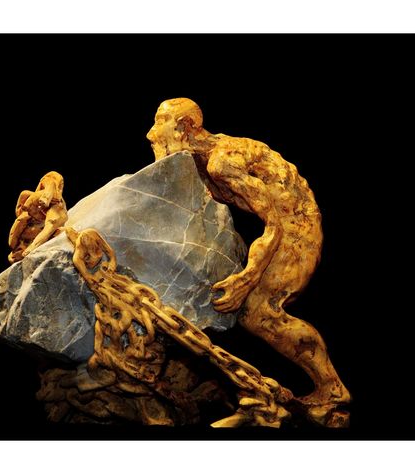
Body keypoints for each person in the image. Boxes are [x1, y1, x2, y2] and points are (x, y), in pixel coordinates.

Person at [146, 98, 350, 426]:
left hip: (295, 228)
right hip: (279, 228)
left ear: (185, 127)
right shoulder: (199, 161)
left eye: (160, 122)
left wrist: (249, 276)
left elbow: (274, 222)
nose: (151, 133)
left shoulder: (221, 162)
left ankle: (333, 389)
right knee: (247, 310)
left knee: (260, 313)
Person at [8, 171, 67, 264]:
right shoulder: (27, 224)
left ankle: (45, 198)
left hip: (43, 207)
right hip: (45, 210)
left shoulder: (54, 201)